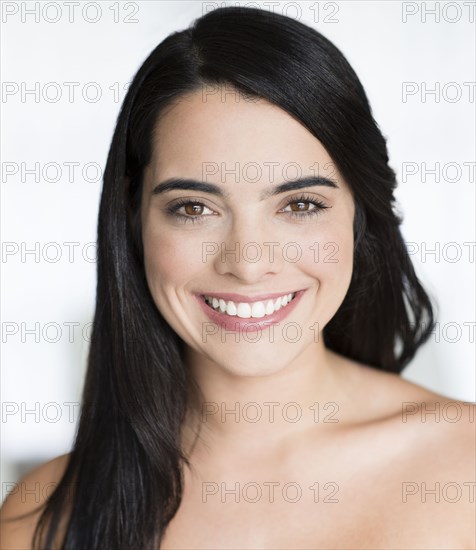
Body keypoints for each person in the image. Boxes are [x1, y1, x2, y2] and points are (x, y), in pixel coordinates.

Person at [1, 6, 474, 549]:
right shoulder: (42, 519)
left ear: (359, 216)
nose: (248, 263)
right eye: (194, 209)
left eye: (299, 204)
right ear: (132, 221)